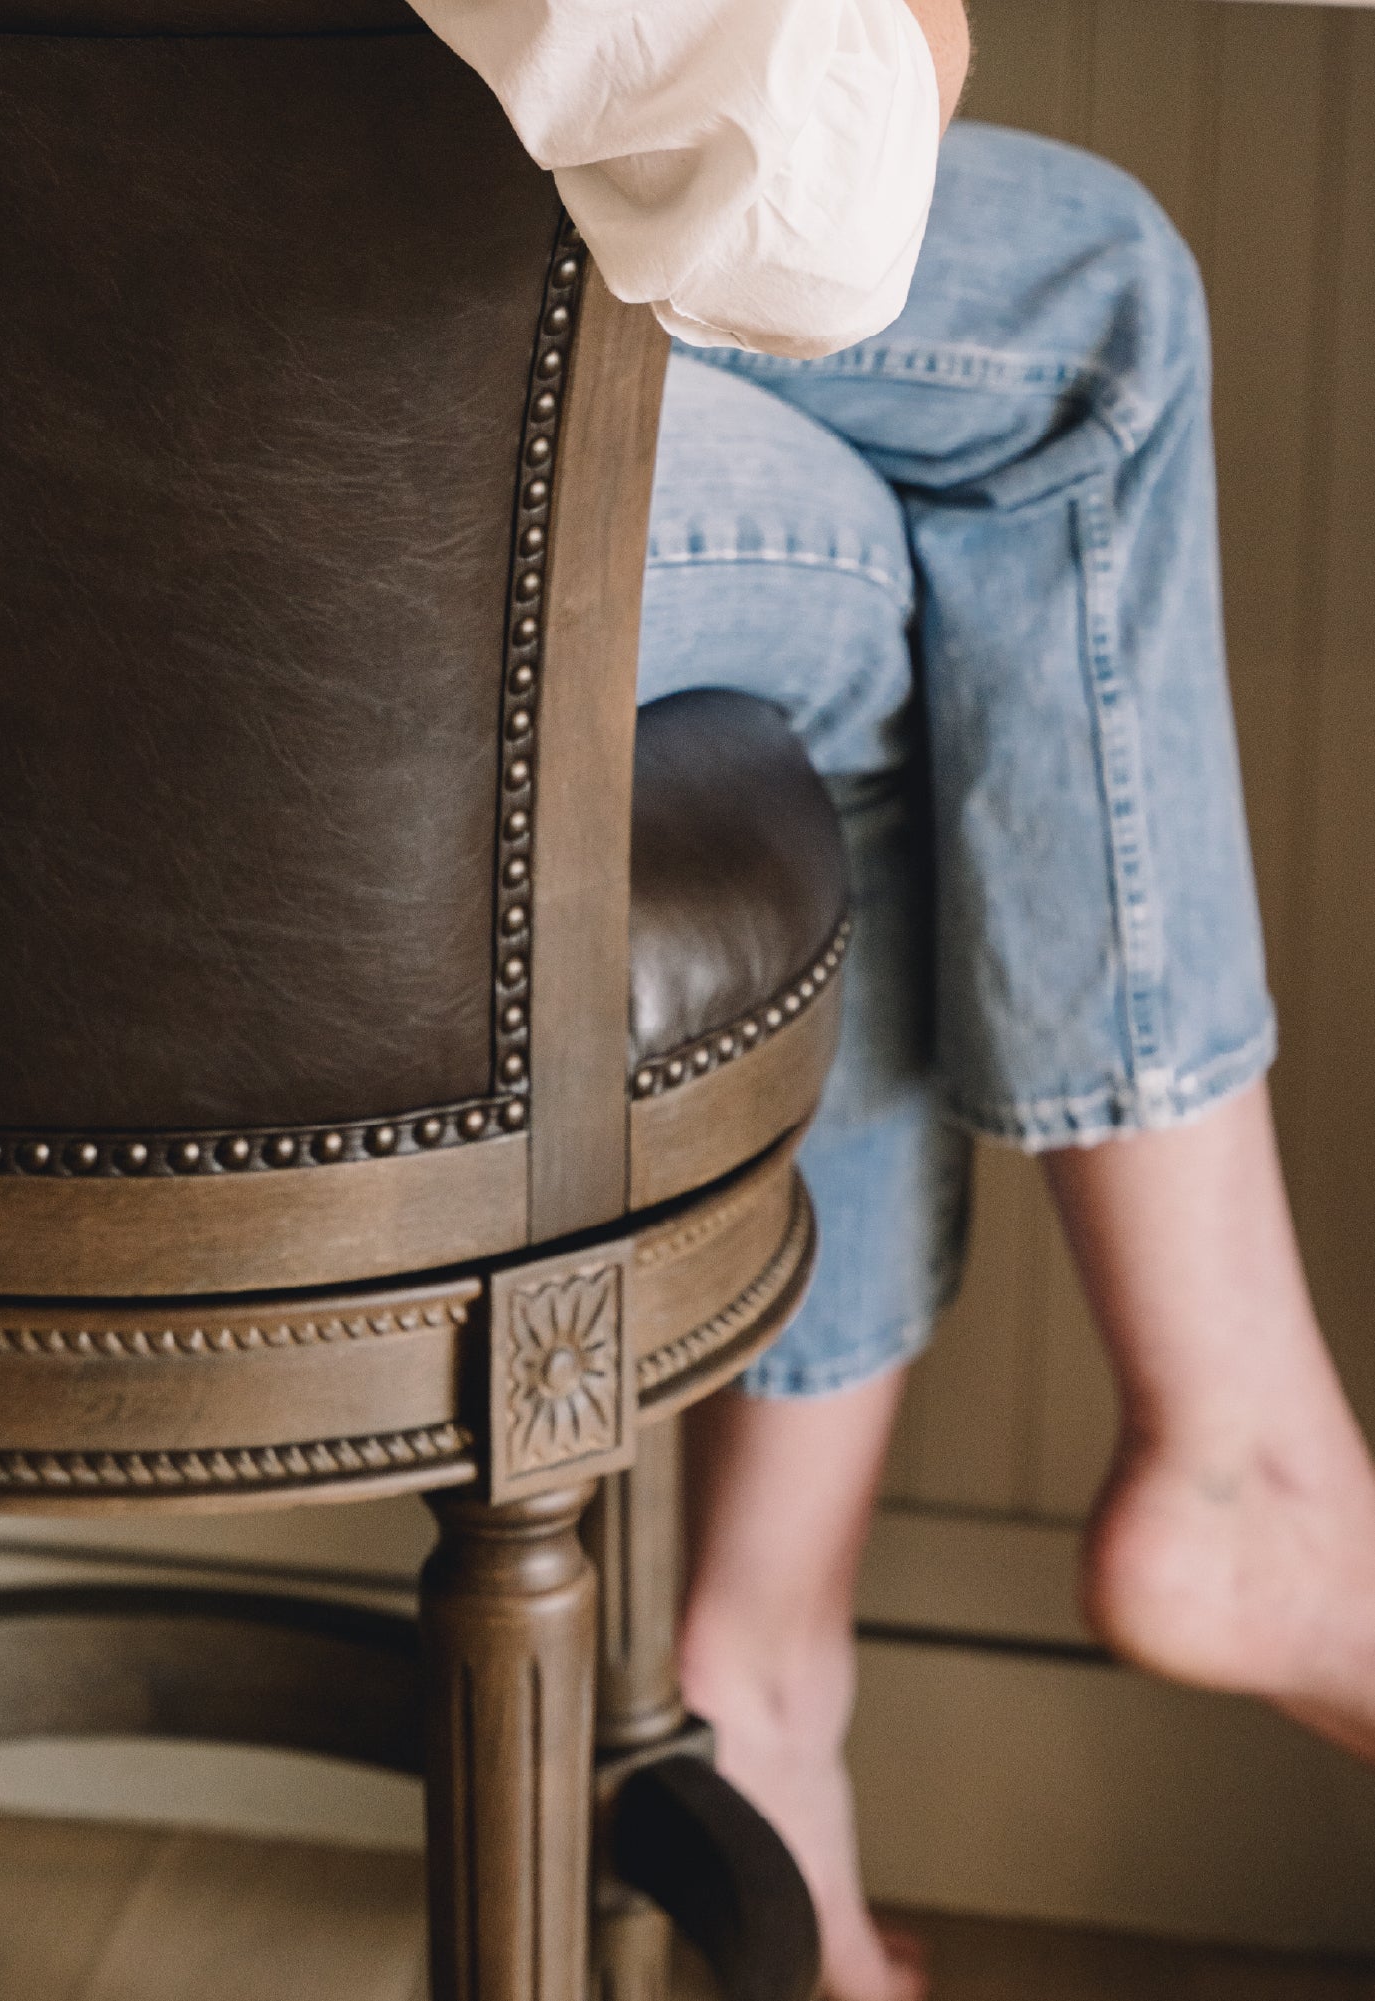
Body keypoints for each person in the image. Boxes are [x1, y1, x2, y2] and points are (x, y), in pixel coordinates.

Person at [405, 3, 1375, 1997]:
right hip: (172, 445)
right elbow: (808, 195)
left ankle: (796, 1656)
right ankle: (809, 1642)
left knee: (1073, 305)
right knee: (999, 450)